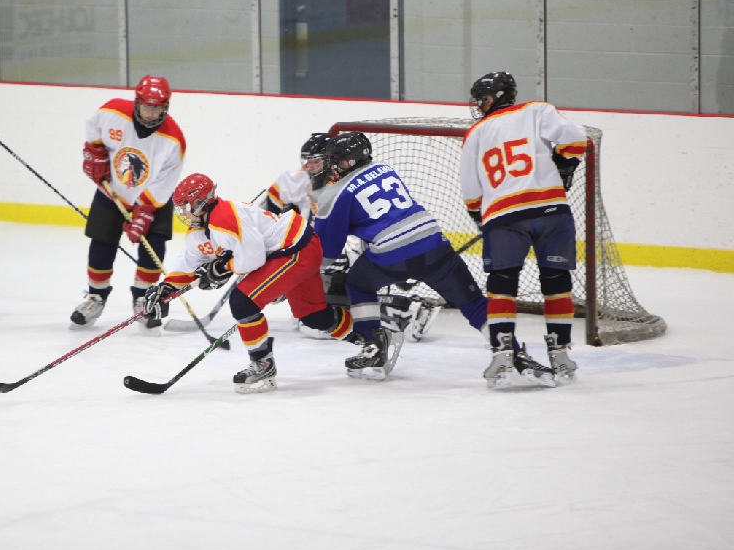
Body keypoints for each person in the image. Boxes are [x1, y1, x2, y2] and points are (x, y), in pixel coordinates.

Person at [314, 131, 556, 387]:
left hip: (392, 255)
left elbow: (327, 253)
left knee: (358, 284)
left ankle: (372, 347)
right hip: (433, 243)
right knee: (473, 302)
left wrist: (305, 275)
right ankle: (513, 353)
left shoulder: (334, 193)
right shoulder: (384, 169)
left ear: (345, 161)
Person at [142, 173, 354, 393]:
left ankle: (263, 364)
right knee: (313, 315)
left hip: (295, 249)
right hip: (292, 249)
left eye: (184, 206)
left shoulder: (224, 218)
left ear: (199, 203)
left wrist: (222, 268)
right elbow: (188, 263)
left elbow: (253, 259)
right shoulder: (200, 230)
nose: (181, 212)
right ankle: (368, 338)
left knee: (243, 301)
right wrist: (166, 290)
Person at [461, 71, 586, 387]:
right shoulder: (537, 110)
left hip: (504, 218)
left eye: (483, 100)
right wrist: (565, 163)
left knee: (501, 286)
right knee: (557, 284)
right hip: (552, 211)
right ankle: (561, 355)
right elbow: (575, 138)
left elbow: (471, 189)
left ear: (500, 96)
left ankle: (503, 355)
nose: (479, 106)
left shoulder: (475, 133)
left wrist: (479, 216)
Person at [71, 75, 185, 335]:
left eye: (157, 109)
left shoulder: (174, 140)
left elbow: (167, 180)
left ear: (166, 107)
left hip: (153, 199)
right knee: (102, 242)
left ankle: (144, 298)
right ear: (137, 103)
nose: (150, 114)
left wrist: (145, 212)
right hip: (113, 191)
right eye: (146, 107)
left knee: (154, 245)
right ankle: (96, 297)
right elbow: (93, 128)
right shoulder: (113, 112)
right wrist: (95, 153)